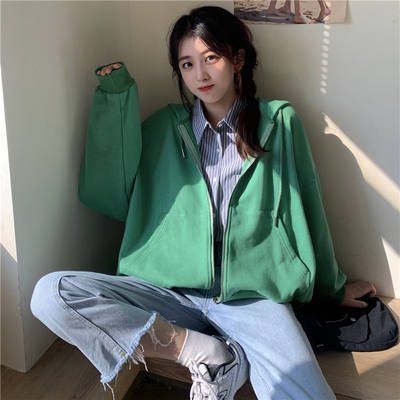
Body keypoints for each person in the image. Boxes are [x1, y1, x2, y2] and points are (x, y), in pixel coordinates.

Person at [31, 6, 376, 400]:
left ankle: (230, 357)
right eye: (187, 64)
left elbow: (308, 204)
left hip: (253, 298)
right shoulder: (163, 127)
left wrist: (332, 287)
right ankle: (205, 353)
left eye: (211, 58)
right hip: (169, 291)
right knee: (50, 294)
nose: (201, 75)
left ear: (237, 59)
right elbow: (109, 196)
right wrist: (116, 100)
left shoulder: (278, 122)